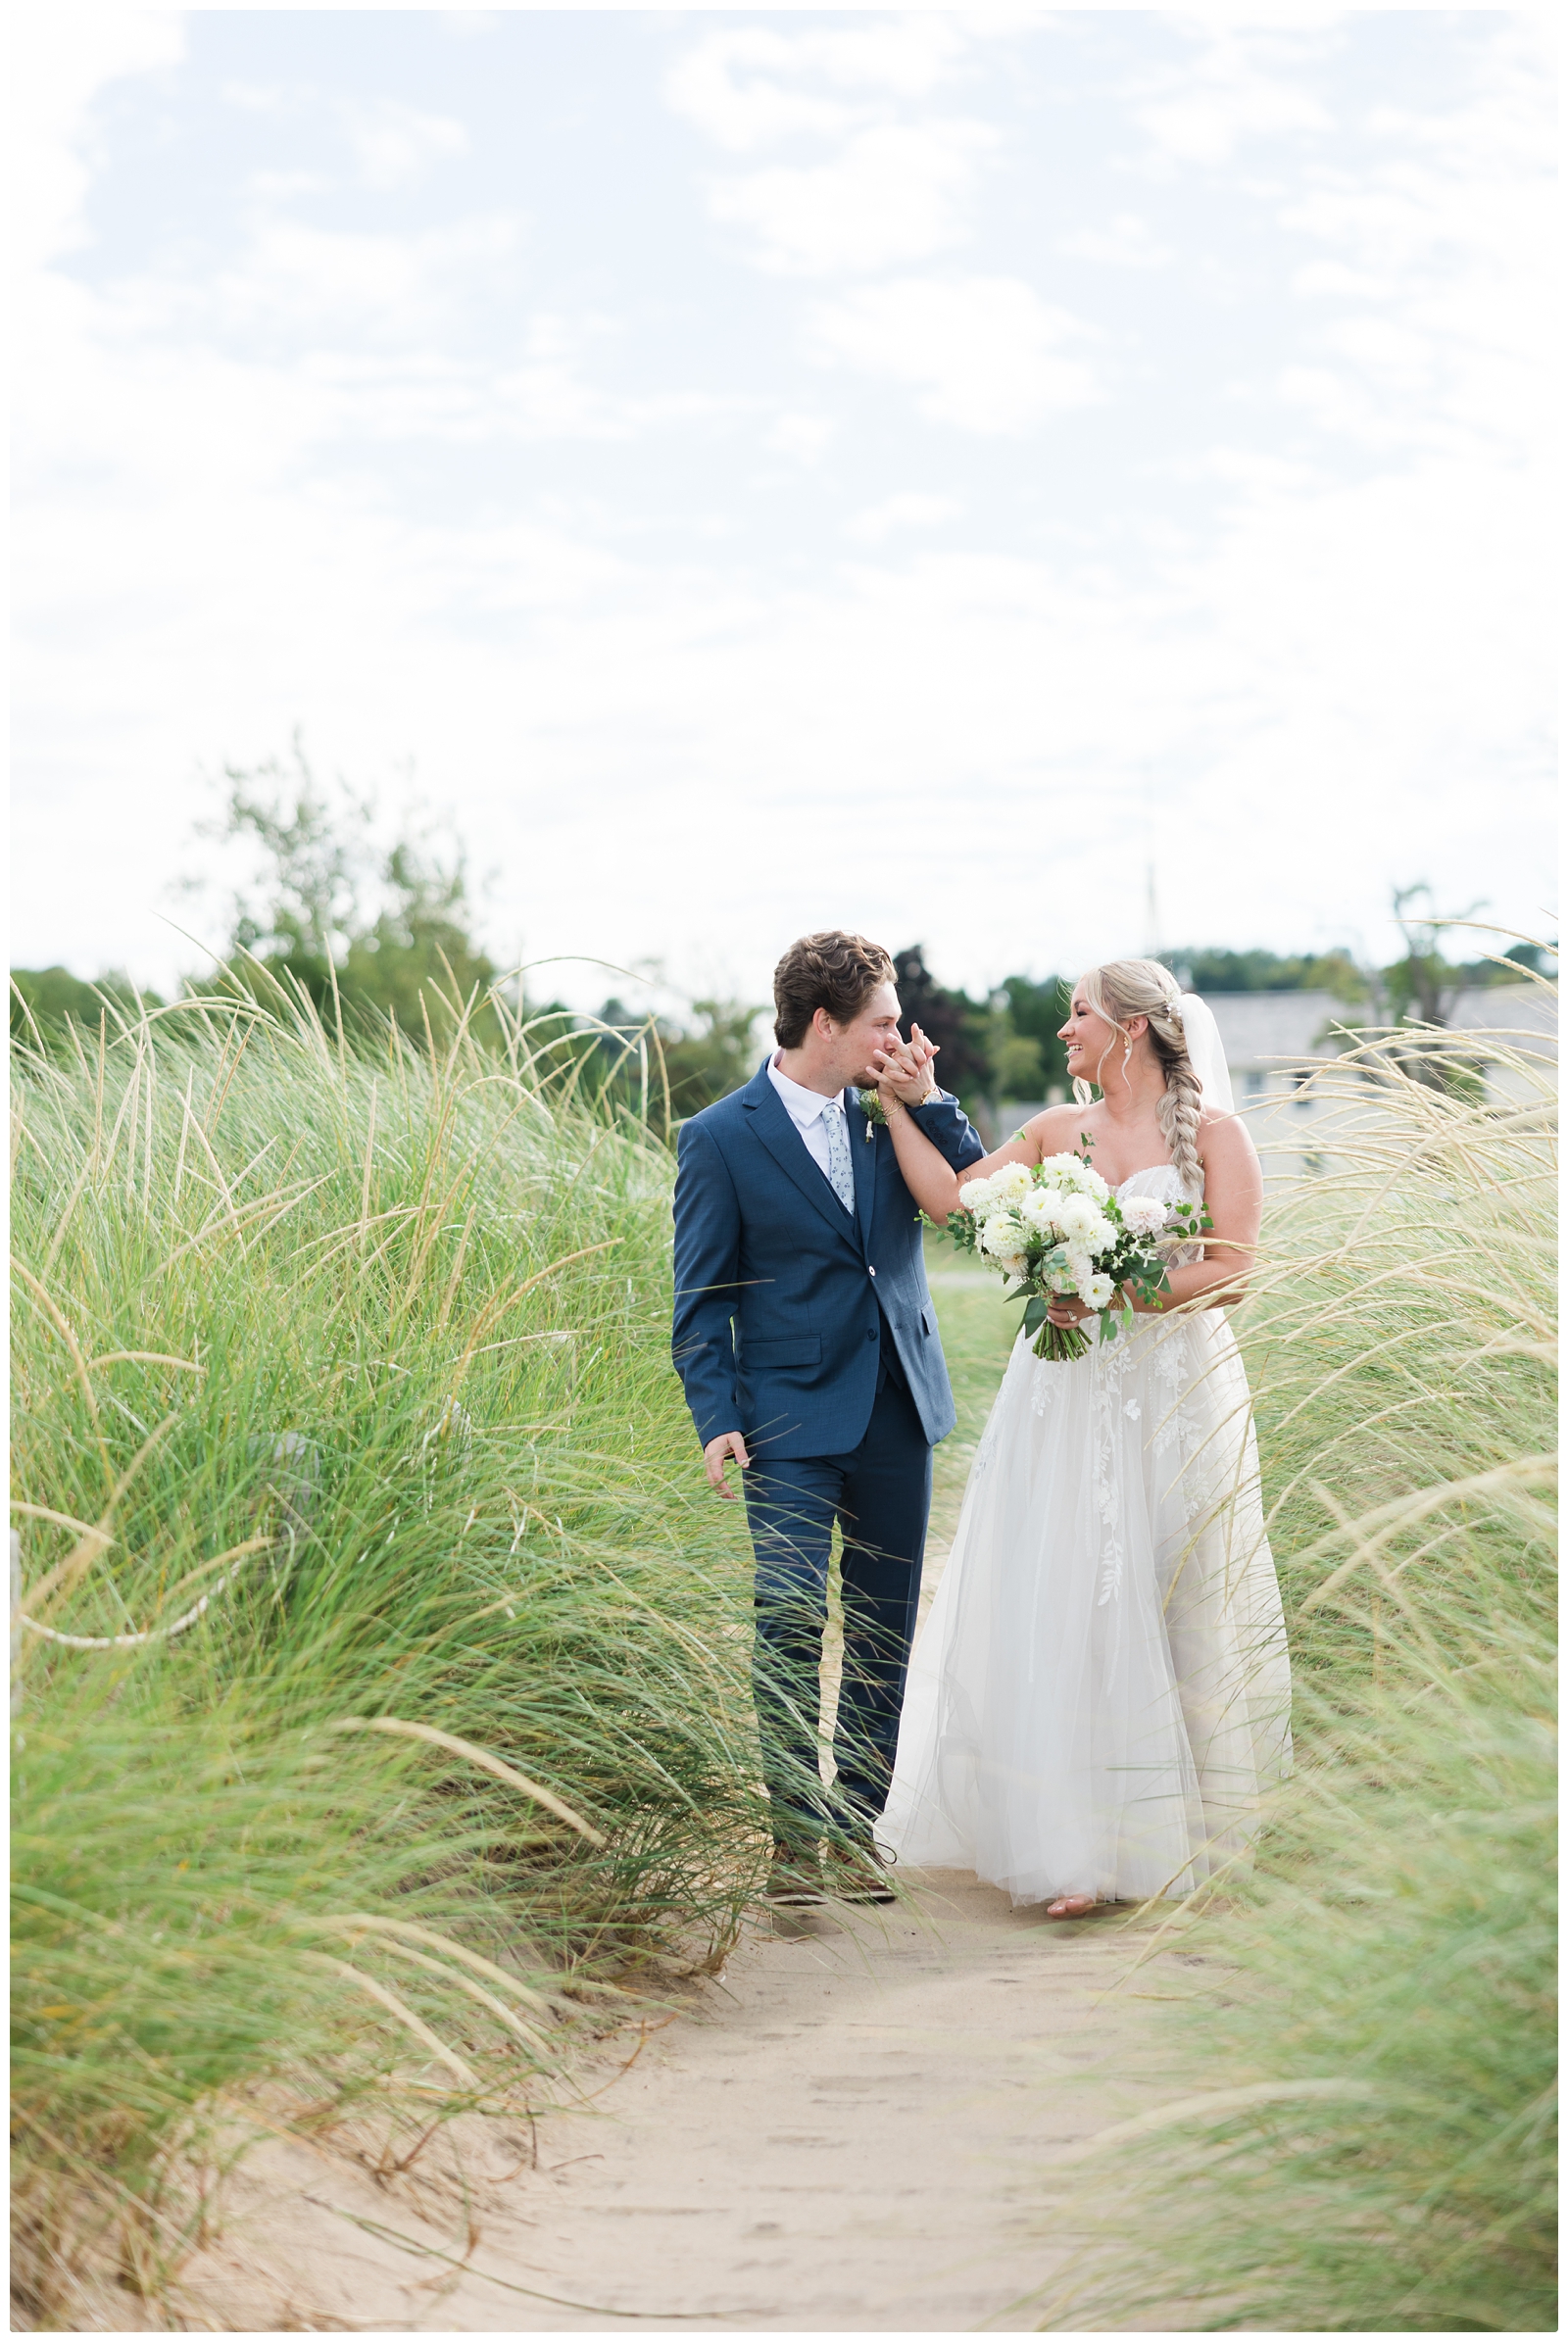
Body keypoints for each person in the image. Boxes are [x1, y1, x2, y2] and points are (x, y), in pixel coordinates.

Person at [876, 958, 1292, 1919]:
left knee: (1181, 1591)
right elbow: (953, 1202)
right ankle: (1073, 1850)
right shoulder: (1052, 1132)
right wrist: (901, 1109)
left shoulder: (1220, 1135)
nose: (1063, 1031)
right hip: (1063, 1393)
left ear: (1131, 1027)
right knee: (1065, 1593)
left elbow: (1232, 1268)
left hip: (1178, 1389)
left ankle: (1198, 1835)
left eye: (1076, 1014)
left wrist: (1122, 1289)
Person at [671, 931, 986, 1907]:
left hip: (898, 1401)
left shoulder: (891, 1110)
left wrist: (927, 1101)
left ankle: (854, 1833)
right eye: (886, 1022)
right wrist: (716, 1415)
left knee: (886, 1630)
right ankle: (792, 1843)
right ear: (825, 1024)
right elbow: (698, 1300)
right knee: (789, 1616)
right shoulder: (720, 1136)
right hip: (787, 1419)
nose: (906, 1036)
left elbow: (985, 1197)